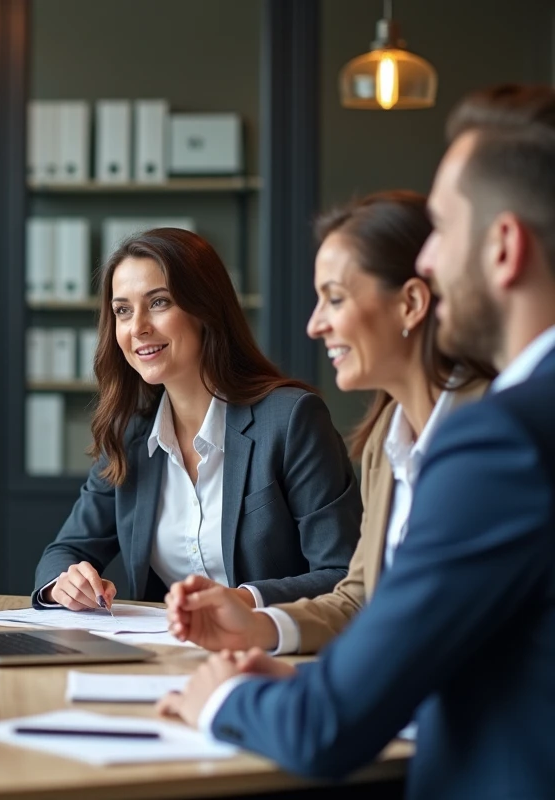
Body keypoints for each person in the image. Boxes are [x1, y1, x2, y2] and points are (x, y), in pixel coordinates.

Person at [156, 84, 555, 798]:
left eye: (443, 229)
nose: (430, 261)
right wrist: (265, 629)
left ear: (502, 247)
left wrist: (218, 698)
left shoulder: (501, 441)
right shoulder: (392, 440)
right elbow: (381, 609)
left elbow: (331, 726)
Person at [163, 191, 494, 654]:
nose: (315, 325)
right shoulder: (388, 438)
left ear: (411, 304)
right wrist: (258, 627)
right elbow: (358, 599)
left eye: (334, 299)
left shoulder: (495, 431)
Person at [32, 228, 361, 612]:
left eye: (159, 302)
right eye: (122, 310)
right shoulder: (130, 434)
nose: (137, 327)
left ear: (205, 310)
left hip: (275, 654)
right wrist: (65, 584)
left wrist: (243, 601)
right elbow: (66, 550)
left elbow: (343, 574)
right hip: (163, 654)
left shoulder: (291, 420)